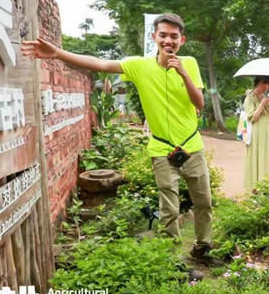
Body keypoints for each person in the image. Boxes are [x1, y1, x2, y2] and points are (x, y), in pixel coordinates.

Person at [21, 13, 213, 259]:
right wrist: (57, 53)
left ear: (182, 40)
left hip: (192, 147)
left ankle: (202, 248)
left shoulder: (191, 63)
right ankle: (170, 256)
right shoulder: (139, 66)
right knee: (169, 207)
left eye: (174, 36)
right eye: (163, 35)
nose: (168, 40)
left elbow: (200, 103)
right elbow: (99, 64)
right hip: (161, 149)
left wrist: (184, 73)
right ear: (154, 37)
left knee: (204, 202)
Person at [243, 76, 269, 191]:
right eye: (265, 84)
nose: (267, 87)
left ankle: (265, 186)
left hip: (267, 130)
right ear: (259, 83)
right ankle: (253, 187)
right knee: (256, 156)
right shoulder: (250, 97)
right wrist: (262, 104)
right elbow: (253, 118)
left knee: (266, 156)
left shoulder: (266, 97)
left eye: (268, 84)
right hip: (256, 131)